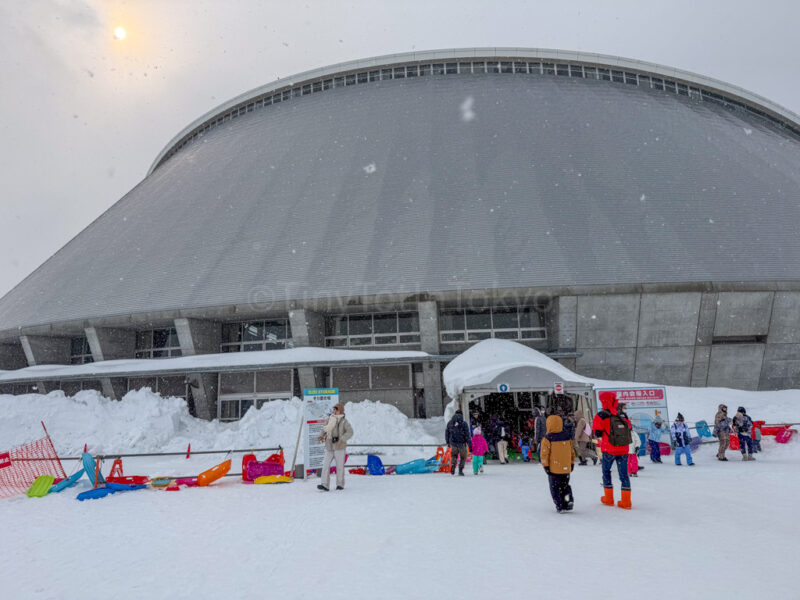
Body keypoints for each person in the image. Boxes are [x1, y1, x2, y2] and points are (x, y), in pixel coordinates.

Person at [592, 391, 632, 509]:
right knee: (624, 474)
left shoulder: (601, 415)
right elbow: (629, 428)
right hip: (623, 449)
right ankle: (626, 501)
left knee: (606, 472)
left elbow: (597, 432)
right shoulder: (622, 414)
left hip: (609, 449)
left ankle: (609, 498)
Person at [540, 414, 576, 513]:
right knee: (565, 485)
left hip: (553, 468)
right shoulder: (567, 436)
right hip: (566, 467)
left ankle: (559, 504)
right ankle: (568, 500)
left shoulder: (547, 438)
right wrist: (571, 463)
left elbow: (544, 454)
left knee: (555, 487)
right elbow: (572, 452)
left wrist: (546, 466)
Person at [317, 403, 354, 491]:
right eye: (334, 409)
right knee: (325, 465)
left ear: (340, 411)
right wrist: (321, 436)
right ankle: (324, 484)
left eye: (336, 410)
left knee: (340, 466)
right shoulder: (330, 419)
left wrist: (342, 439)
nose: (334, 411)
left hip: (339, 446)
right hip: (329, 446)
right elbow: (324, 429)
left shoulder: (344, 421)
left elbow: (350, 432)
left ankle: (340, 484)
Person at [445, 409, 472, 475]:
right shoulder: (464, 423)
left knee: (454, 455)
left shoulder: (450, 423)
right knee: (463, 457)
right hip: (462, 444)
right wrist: (469, 445)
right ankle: (460, 470)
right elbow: (467, 435)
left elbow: (447, 433)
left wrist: (448, 442)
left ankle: (453, 465)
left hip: (453, 443)